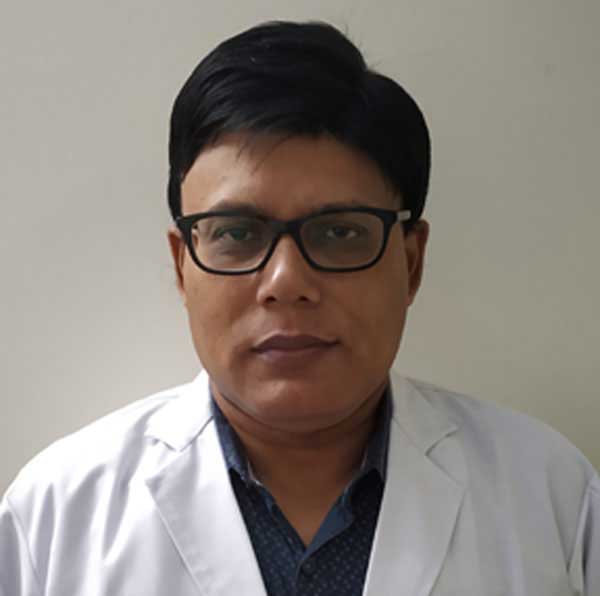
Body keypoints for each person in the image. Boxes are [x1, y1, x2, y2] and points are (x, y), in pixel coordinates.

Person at [1, 19, 598, 596]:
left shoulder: (551, 497)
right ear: (183, 266)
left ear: (411, 264)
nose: (286, 283)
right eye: (237, 233)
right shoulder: (54, 518)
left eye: (340, 233)